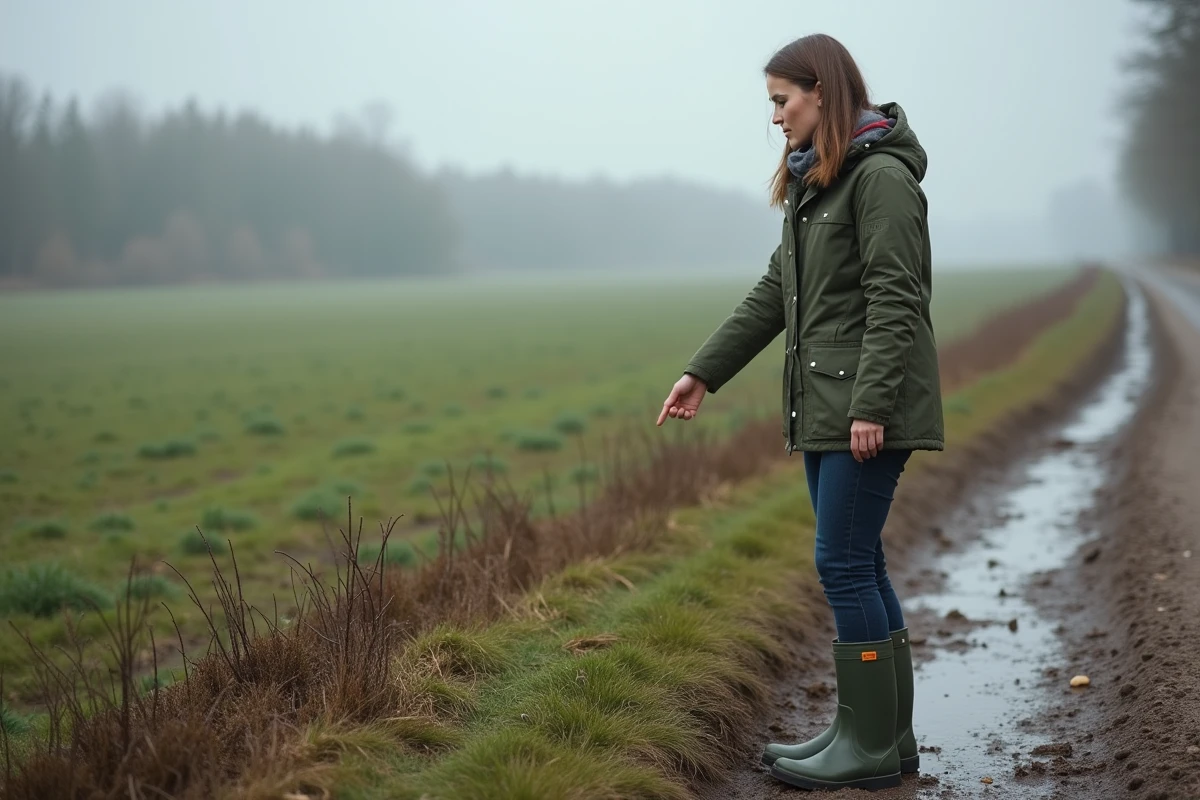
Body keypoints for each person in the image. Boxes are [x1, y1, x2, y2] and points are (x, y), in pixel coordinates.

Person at [655, 33, 944, 792]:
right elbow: (772, 296)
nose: (776, 117)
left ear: (823, 93)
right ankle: (882, 734)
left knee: (841, 563)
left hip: (862, 408)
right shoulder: (818, 183)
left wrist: (872, 405)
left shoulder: (877, 180)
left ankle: (870, 745)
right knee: (861, 561)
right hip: (829, 403)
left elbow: (896, 299)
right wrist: (702, 373)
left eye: (782, 101)